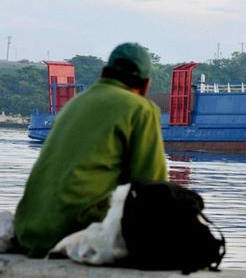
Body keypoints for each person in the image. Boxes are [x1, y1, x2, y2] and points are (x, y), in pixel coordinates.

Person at [14, 42, 168, 258]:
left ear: (104, 73)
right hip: (71, 231)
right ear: (145, 85)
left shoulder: (75, 103)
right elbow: (153, 186)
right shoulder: (140, 108)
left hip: (28, 231)